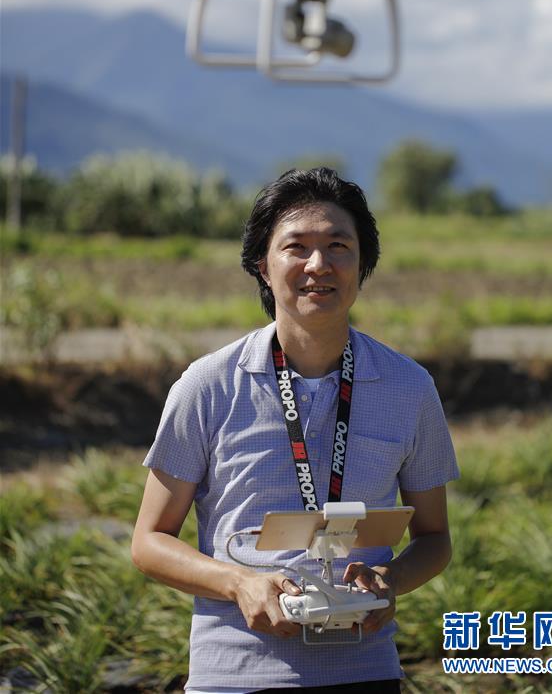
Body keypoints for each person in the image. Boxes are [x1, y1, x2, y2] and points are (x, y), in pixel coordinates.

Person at [132, 167, 459, 694]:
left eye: (338, 246)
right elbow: (149, 541)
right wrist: (239, 583)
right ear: (262, 266)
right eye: (296, 247)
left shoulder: (409, 387)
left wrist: (390, 580)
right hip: (233, 676)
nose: (318, 265)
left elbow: (435, 538)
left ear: (362, 264)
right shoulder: (208, 385)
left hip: (365, 671)